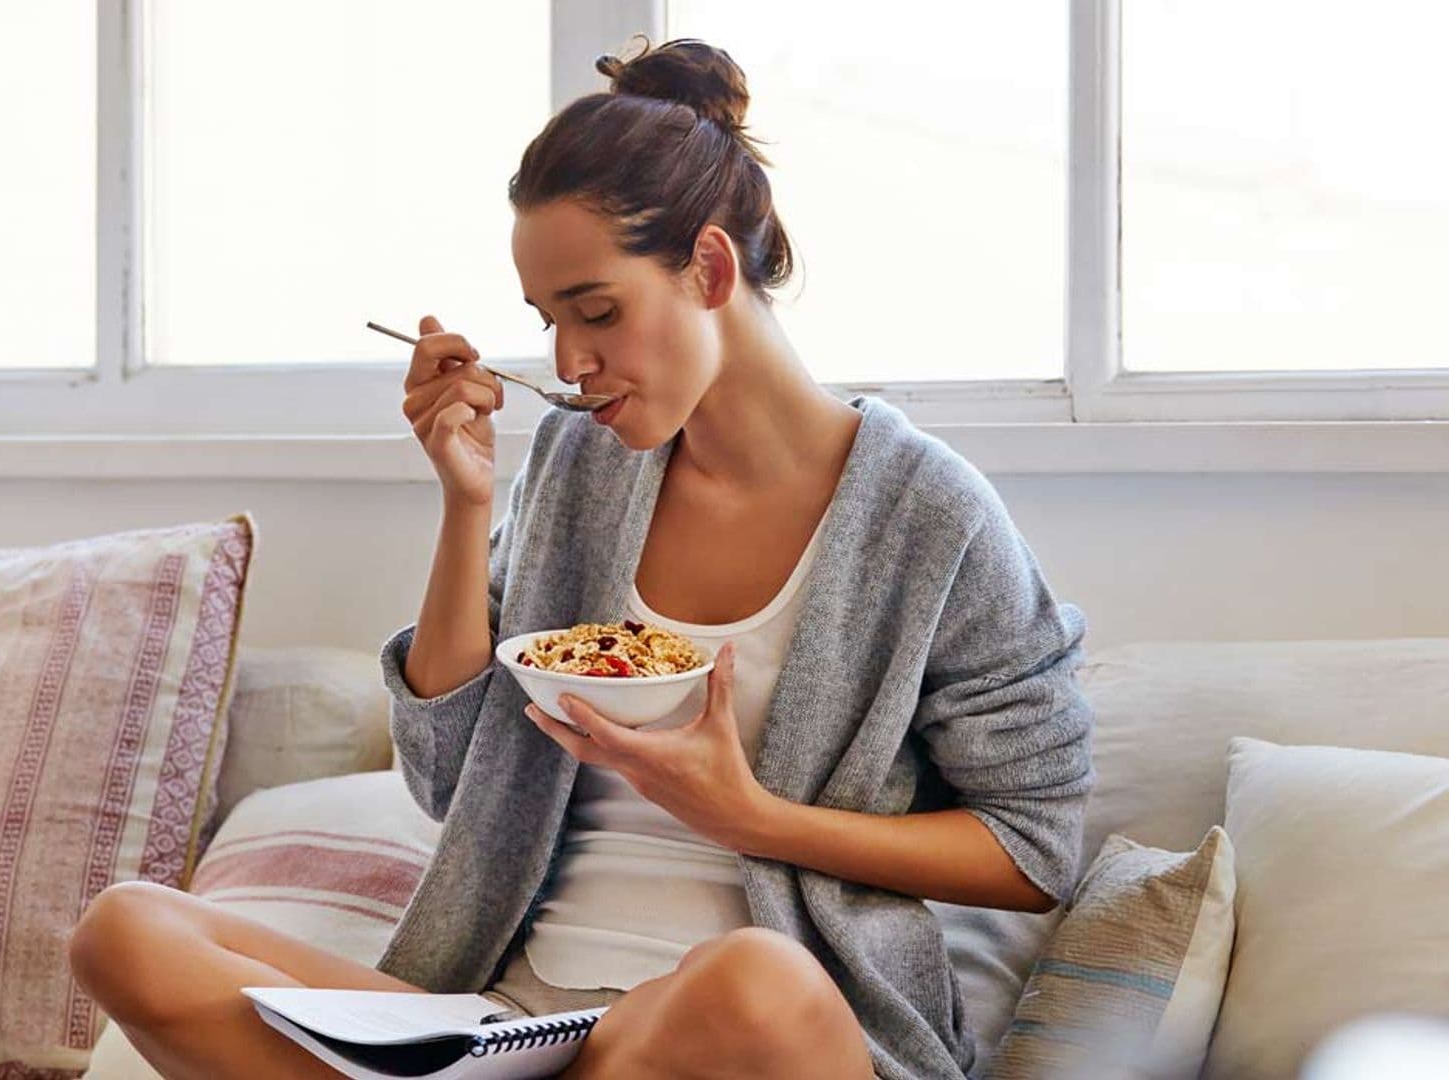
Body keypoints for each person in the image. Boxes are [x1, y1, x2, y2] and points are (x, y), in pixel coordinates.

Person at [69, 38, 1094, 1080]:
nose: (569, 363)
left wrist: (750, 818)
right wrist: (466, 505)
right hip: (513, 1023)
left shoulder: (930, 516)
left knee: (755, 980)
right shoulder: (579, 464)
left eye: (597, 311)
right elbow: (445, 783)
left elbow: (1034, 849)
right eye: (550, 321)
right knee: (129, 932)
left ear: (708, 267)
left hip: (759, 1031)